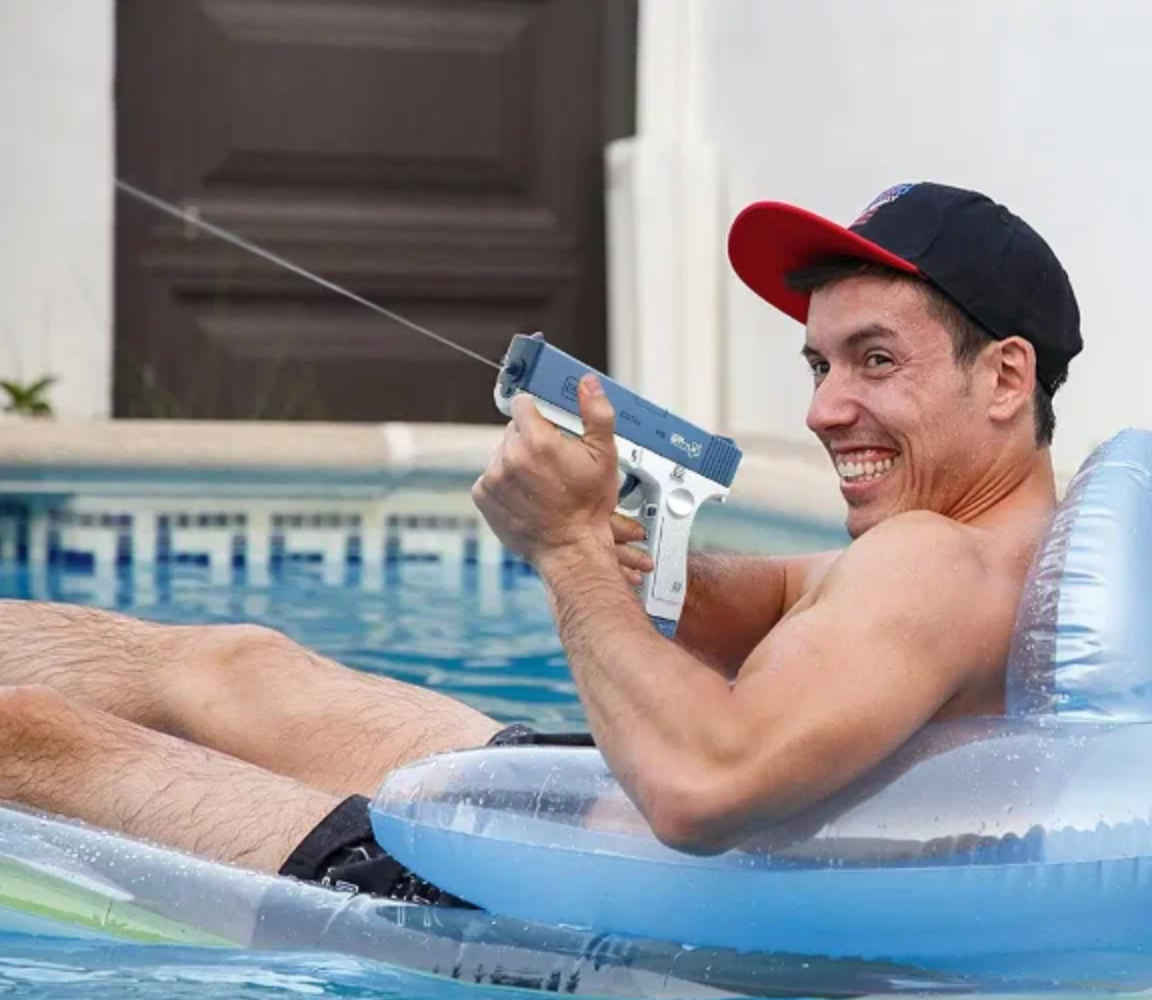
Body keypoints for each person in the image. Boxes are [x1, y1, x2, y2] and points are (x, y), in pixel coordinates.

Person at [0, 181, 1081, 901]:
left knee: (31, 736)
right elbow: (762, 602)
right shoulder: (1000, 552)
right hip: (557, 812)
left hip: (506, 900)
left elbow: (704, 788)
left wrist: (566, 549)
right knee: (235, 664)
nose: (824, 410)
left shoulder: (933, 561)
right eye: (819, 365)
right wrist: (619, 529)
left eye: (875, 361)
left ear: (1004, 377)